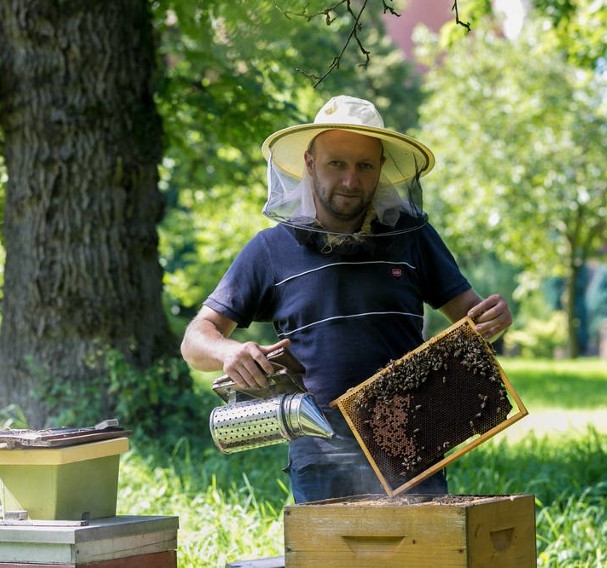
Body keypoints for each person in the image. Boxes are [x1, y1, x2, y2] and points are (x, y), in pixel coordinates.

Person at [180, 95, 512, 503]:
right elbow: (196, 339)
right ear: (309, 163)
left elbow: (473, 319)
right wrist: (229, 351)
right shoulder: (270, 249)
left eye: (364, 166)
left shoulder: (412, 236)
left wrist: (492, 318)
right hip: (319, 452)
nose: (351, 181)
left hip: (412, 444)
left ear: (380, 170)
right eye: (337, 163)